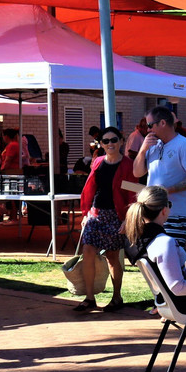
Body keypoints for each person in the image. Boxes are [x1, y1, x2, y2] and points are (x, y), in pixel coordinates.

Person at [73, 126, 137, 313]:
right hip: (96, 213)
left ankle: (116, 297)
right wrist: (86, 213)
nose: (110, 144)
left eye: (114, 140)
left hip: (116, 215)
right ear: (101, 144)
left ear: (121, 141)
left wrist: (127, 220)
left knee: (112, 257)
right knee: (88, 251)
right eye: (106, 141)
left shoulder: (128, 165)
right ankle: (89, 298)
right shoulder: (98, 162)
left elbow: (133, 194)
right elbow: (91, 188)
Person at [133, 105, 186, 247]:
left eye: (150, 125)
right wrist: (142, 149)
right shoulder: (152, 145)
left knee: (171, 256)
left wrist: (166, 190)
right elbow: (137, 172)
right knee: (152, 256)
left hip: (175, 213)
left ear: (163, 123)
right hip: (152, 212)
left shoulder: (184, 145)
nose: (148, 130)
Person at [123, 185, 186, 316]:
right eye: (169, 204)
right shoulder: (164, 242)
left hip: (167, 303)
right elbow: (177, 287)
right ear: (164, 210)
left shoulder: (135, 240)